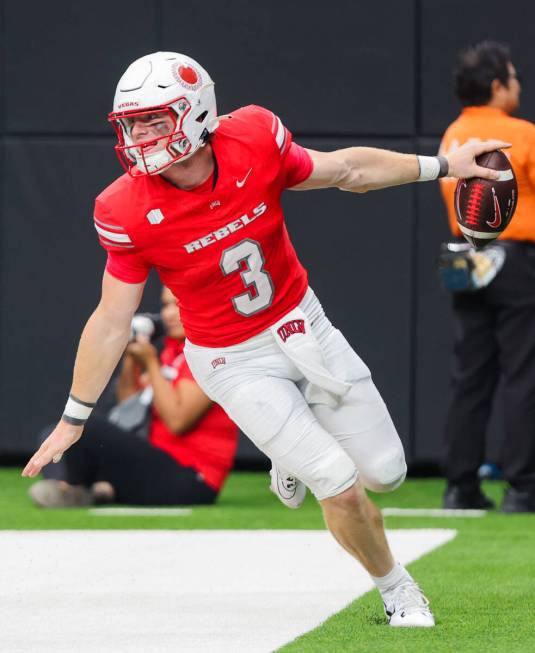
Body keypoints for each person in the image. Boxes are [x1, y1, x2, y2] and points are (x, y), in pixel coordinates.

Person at [22, 51, 507, 627]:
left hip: (303, 322)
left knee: (387, 473)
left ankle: (290, 452)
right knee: (338, 480)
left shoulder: (253, 136)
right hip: (230, 358)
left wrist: (444, 164)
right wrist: (74, 417)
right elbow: (110, 320)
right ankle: (396, 587)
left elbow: (346, 171)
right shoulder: (123, 207)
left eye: (155, 119)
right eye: (132, 123)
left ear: (197, 112)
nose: (140, 135)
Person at [28, 286, 239, 507]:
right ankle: (69, 489)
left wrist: (151, 363)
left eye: (177, 304)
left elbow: (178, 421)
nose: (168, 314)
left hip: (191, 479)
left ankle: (82, 488)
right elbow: (128, 405)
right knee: (55, 433)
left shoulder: (213, 355)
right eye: (165, 305)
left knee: (85, 428)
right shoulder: (172, 353)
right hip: (156, 465)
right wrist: (131, 355)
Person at [439, 41, 535, 513]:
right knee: (523, 371)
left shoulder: (452, 135)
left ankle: (459, 485)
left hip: (464, 255)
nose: (518, 85)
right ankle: (522, 487)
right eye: (513, 77)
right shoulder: (523, 134)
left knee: (469, 374)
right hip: (517, 259)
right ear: (497, 85)